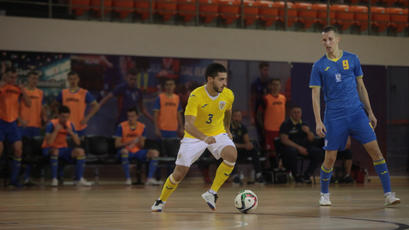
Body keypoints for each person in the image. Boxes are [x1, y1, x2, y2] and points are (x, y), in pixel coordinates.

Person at [310, 26, 400, 206]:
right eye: (324, 40)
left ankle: (389, 194)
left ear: (338, 39)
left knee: (376, 152)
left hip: (357, 114)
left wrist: (370, 111)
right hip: (334, 117)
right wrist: (319, 121)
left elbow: (361, 87)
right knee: (330, 158)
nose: (327, 43)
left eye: (330, 39)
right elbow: (315, 95)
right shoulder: (319, 66)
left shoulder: (352, 58)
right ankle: (324, 195)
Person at [151, 63, 236, 212]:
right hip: (195, 135)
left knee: (231, 155)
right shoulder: (196, 96)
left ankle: (212, 193)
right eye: (221, 80)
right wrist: (203, 138)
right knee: (179, 173)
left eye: (225, 79)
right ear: (210, 79)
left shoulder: (228, 94)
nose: (225, 83)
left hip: (217, 132)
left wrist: (227, 129)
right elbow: (188, 125)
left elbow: (228, 110)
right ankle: (160, 201)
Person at [42, 106, 92, 187]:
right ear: (58, 115)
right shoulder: (51, 124)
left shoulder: (70, 124)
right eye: (63, 117)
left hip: (63, 149)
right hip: (49, 149)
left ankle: (79, 179)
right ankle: (54, 179)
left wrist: (72, 133)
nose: (65, 119)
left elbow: (78, 142)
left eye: (67, 117)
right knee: (55, 151)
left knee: (80, 151)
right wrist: (56, 131)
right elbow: (49, 142)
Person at [0, 67, 31, 187]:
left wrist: (23, 91)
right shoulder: (2, 86)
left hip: (12, 123)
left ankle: (14, 180)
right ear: (5, 76)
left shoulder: (18, 89)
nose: (13, 79)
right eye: (10, 77)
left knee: (18, 149)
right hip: (1, 122)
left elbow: (28, 104)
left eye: (15, 77)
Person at [114, 107, 161, 185]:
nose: (130, 118)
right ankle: (128, 179)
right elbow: (117, 144)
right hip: (125, 150)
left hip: (137, 151)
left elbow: (142, 145)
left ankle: (149, 179)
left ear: (137, 117)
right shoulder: (121, 126)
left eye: (132, 116)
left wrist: (139, 141)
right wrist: (130, 142)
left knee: (155, 153)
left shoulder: (142, 126)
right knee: (124, 151)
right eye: (128, 116)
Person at [279, 106, 323, 184]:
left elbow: (312, 139)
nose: (296, 114)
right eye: (294, 112)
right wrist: (299, 148)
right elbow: (284, 139)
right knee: (292, 151)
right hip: (292, 148)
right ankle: (296, 175)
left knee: (318, 152)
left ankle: (307, 175)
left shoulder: (304, 124)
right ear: (291, 113)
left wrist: (308, 131)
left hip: (305, 147)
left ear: (301, 114)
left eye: (298, 112)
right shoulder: (286, 124)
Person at [18, 71, 47, 186]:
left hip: (36, 126)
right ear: (28, 79)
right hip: (23, 126)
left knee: (32, 154)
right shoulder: (21, 91)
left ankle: (27, 178)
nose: (34, 80)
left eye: (36, 78)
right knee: (21, 152)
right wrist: (20, 120)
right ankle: (17, 177)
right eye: (32, 78)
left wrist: (45, 118)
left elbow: (42, 107)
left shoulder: (40, 92)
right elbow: (14, 107)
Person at [56, 71, 99, 137]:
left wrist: (87, 117)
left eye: (75, 79)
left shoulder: (84, 93)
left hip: (79, 126)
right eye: (71, 79)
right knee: (65, 146)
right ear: (68, 80)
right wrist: (58, 117)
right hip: (65, 127)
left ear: (78, 79)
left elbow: (96, 106)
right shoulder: (63, 93)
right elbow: (55, 105)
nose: (73, 81)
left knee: (79, 146)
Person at [230, 110, 264, 184]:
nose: (237, 118)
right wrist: (244, 145)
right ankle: (235, 176)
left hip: (241, 150)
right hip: (232, 150)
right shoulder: (228, 127)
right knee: (231, 152)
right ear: (232, 117)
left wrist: (249, 144)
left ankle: (258, 174)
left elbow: (247, 141)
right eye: (235, 116)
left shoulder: (243, 127)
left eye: (239, 116)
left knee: (253, 150)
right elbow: (230, 144)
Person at [258, 79, 286, 166]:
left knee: (281, 151)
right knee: (271, 152)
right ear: (270, 86)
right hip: (269, 130)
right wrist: (263, 127)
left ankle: (281, 171)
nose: (275, 87)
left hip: (281, 130)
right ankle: (271, 171)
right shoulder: (266, 98)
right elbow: (258, 115)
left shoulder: (283, 98)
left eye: (277, 85)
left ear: (280, 86)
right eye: (273, 84)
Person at [250, 62, 271, 148]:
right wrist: (252, 116)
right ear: (260, 70)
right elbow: (252, 100)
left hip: (269, 113)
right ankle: (262, 152)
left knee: (268, 133)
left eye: (267, 70)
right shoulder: (255, 84)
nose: (266, 72)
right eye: (264, 70)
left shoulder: (270, 83)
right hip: (258, 112)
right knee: (261, 133)